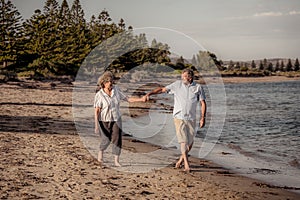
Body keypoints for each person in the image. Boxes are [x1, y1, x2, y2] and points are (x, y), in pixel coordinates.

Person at [145, 68, 206, 172]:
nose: (182, 79)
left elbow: (203, 103)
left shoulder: (198, 87)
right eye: (182, 77)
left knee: (190, 143)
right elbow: (162, 89)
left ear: (190, 77)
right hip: (179, 117)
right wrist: (149, 94)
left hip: (191, 118)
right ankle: (187, 165)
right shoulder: (177, 85)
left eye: (184, 77)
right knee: (183, 141)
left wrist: (202, 118)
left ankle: (180, 160)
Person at [94, 71, 146, 167]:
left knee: (117, 139)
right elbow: (97, 111)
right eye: (109, 82)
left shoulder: (116, 90)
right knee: (106, 139)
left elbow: (127, 99)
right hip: (104, 120)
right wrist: (96, 125)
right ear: (104, 83)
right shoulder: (99, 95)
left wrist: (140, 99)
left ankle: (116, 161)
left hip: (116, 118)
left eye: (112, 81)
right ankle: (101, 152)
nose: (111, 83)